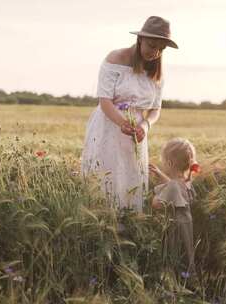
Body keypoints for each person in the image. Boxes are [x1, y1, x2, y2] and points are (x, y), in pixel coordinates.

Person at [81, 16, 178, 213]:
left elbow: (155, 109)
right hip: (109, 126)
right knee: (105, 178)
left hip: (136, 133)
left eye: (161, 48)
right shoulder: (114, 59)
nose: (156, 52)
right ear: (140, 39)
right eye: (152, 45)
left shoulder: (157, 73)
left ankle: (129, 224)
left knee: (130, 181)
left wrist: (145, 125)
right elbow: (105, 101)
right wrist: (122, 122)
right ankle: (100, 221)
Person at [150, 138, 200, 275]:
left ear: (170, 163)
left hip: (175, 227)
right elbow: (175, 188)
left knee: (174, 254)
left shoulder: (172, 186)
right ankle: (188, 280)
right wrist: (161, 174)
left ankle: (174, 282)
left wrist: (156, 193)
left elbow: (156, 204)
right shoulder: (187, 182)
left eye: (164, 162)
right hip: (186, 226)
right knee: (186, 252)